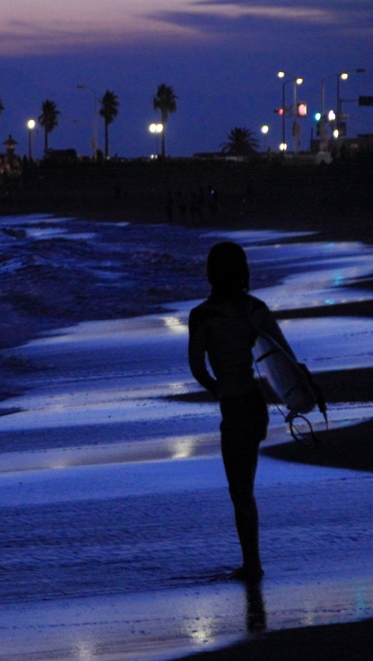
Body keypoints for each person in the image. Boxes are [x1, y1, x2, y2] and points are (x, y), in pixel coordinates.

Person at [188, 241, 295, 582]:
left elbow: (197, 366)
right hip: (255, 403)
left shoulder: (201, 316)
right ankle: (252, 562)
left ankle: (252, 564)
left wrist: (216, 387)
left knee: (240, 491)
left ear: (211, 272)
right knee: (244, 488)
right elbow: (284, 359)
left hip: (234, 407)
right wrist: (303, 396)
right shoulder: (256, 309)